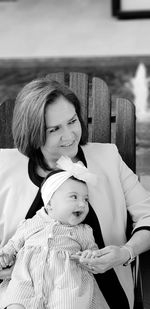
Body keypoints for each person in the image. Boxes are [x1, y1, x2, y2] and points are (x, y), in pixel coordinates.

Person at [0, 76, 150, 309]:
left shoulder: (108, 158)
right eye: (54, 129)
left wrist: (125, 252)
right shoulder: (5, 167)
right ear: (33, 131)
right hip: (20, 296)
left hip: (95, 298)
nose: (69, 136)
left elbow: (147, 214)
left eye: (72, 121)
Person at [0, 157, 109, 309]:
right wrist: (5, 256)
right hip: (26, 282)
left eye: (86, 199)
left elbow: (93, 252)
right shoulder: (30, 225)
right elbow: (12, 246)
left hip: (65, 286)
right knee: (15, 302)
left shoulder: (82, 231)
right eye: (74, 197)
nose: (82, 204)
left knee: (69, 303)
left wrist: (90, 256)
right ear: (50, 203)